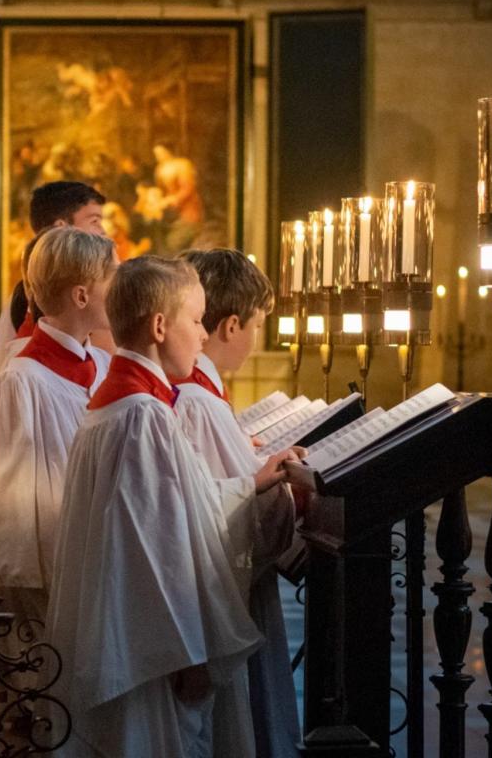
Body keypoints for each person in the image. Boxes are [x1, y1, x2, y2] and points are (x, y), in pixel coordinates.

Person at [46, 255, 300, 757]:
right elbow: (161, 547)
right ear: (160, 326)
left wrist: (251, 484)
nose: (204, 335)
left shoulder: (114, 403)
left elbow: (180, 508)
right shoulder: (143, 415)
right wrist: (191, 653)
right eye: (195, 320)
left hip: (124, 632)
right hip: (152, 651)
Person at [0, 226, 115, 651]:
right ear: (81, 295)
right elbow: (5, 516)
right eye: (113, 277)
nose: (122, 288)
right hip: (47, 594)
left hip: (100, 573)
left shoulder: (105, 366)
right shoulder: (20, 384)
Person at [174, 248, 301, 757]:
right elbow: (229, 518)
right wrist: (283, 490)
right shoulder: (201, 401)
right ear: (230, 325)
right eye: (256, 327)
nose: (254, 342)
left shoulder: (194, 389)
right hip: (218, 600)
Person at [0, 181, 107, 366]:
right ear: (61, 228)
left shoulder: (98, 291)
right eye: (94, 221)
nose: (103, 231)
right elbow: (5, 366)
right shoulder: (20, 300)